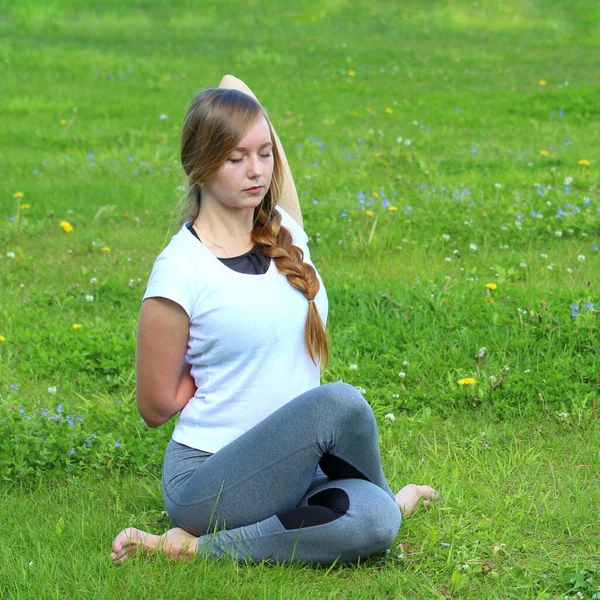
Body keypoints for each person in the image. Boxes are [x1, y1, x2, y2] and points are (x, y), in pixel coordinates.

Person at [110, 74, 437, 566]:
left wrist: (240, 106)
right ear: (199, 166)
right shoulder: (179, 271)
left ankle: (193, 549)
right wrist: (214, 369)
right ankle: (380, 495)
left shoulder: (285, 231)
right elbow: (155, 407)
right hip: (210, 479)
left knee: (374, 522)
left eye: (263, 153)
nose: (255, 170)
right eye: (235, 158)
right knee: (339, 404)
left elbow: (235, 88)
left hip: (298, 469)